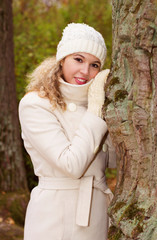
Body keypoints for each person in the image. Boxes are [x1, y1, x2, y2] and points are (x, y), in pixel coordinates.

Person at [19, 23, 117, 240]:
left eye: (95, 65)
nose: (85, 71)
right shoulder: (35, 104)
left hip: (96, 214)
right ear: (62, 59)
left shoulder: (96, 104)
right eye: (78, 59)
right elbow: (71, 165)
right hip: (54, 217)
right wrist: (95, 110)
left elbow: (116, 160)